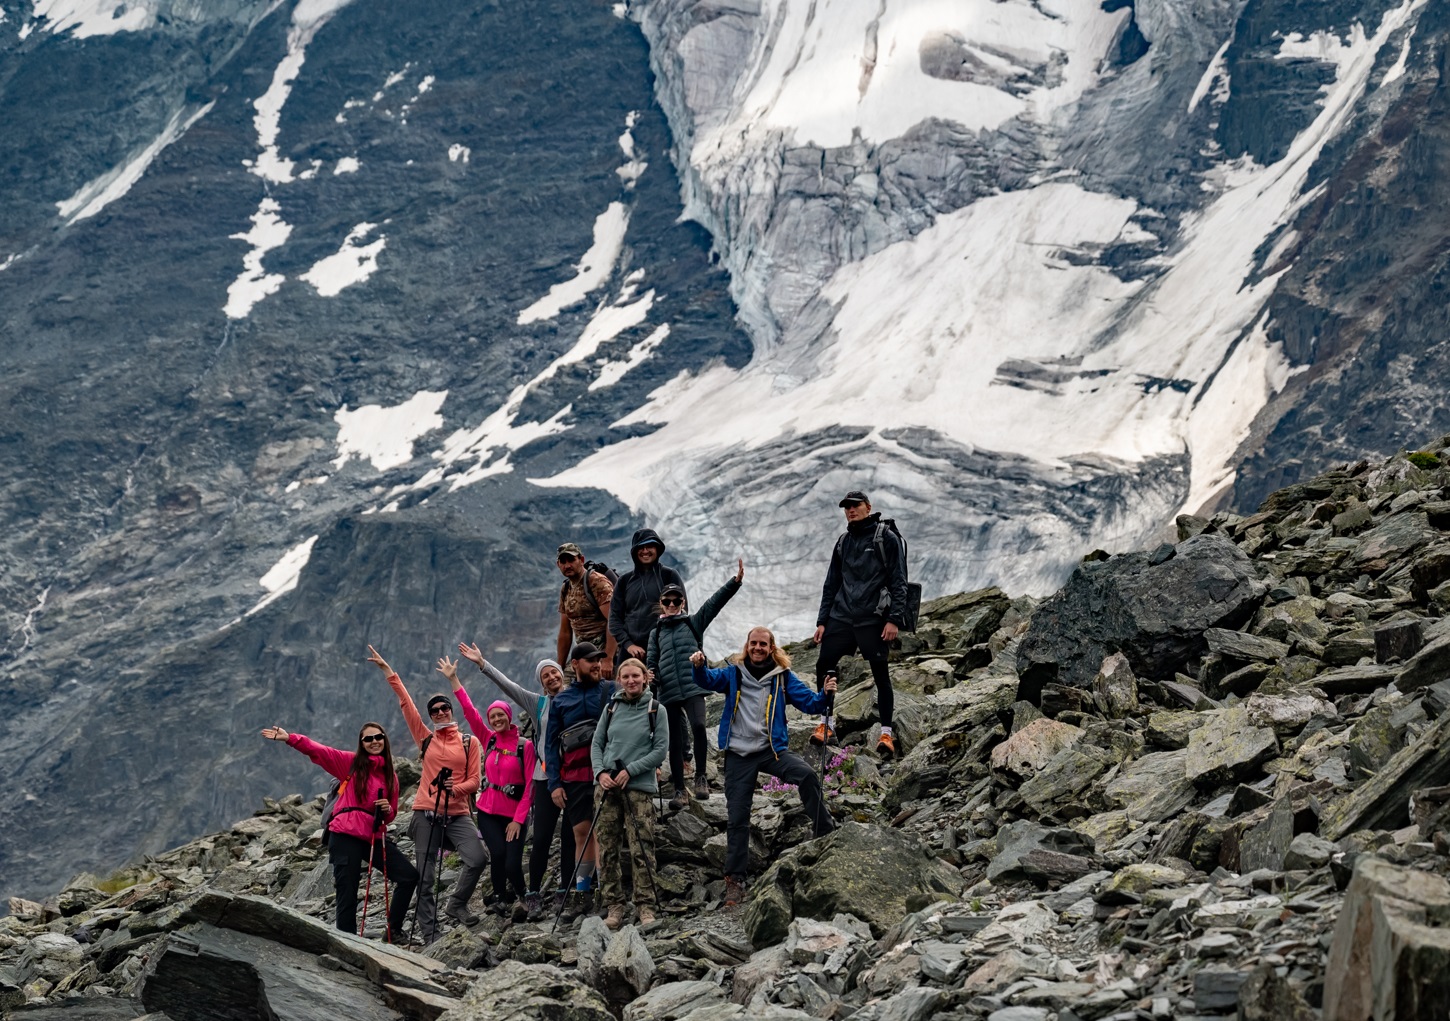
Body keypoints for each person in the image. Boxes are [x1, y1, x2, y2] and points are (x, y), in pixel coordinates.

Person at [690, 628, 837, 907]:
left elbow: (810, 703)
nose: (757, 648)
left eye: (763, 644)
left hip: (772, 750)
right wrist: (699, 666)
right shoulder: (733, 673)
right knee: (737, 816)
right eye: (753, 643)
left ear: (771, 647)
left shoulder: (782, 677)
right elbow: (707, 679)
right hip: (738, 754)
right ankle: (735, 880)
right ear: (747, 645)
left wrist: (826, 695)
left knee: (806, 774)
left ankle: (825, 832)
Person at [367, 645, 485, 944]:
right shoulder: (425, 739)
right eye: (435, 711)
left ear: (451, 710)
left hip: (457, 812)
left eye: (444, 708)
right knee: (426, 878)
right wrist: (388, 671)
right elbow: (406, 704)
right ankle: (431, 935)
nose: (440, 712)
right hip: (425, 814)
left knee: (477, 859)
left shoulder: (470, 743)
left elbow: (475, 781)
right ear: (430, 716)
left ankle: (456, 903)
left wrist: (454, 789)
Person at [261, 721, 418, 940]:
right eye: (368, 739)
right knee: (348, 892)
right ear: (361, 744)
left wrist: (388, 809)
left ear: (385, 739)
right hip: (344, 834)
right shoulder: (351, 763)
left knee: (409, 876)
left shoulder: (391, 775)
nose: (374, 742)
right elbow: (320, 751)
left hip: (372, 833)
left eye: (378, 737)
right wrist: (290, 739)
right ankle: (348, 944)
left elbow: (390, 814)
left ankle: (393, 931)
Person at [454, 645, 576, 920]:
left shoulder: (579, 697)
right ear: (541, 682)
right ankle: (531, 892)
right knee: (543, 837)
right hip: (547, 779)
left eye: (554, 673)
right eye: (545, 676)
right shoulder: (538, 703)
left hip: (576, 777)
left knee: (570, 838)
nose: (551, 678)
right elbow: (508, 687)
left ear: (562, 675)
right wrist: (482, 663)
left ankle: (565, 890)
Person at [436, 656, 534, 919]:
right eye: (493, 716)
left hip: (515, 814)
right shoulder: (489, 739)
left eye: (501, 715)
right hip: (488, 811)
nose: (496, 719)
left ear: (509, 716)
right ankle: (501, 899)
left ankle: (524, 898)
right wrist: (454, 680)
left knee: (513, 862)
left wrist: (518, 820)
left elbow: (529, 789)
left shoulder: (525, 746)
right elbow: (469, 711)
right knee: (498, 854)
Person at [813, 490, 908, 757]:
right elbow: (831, 583)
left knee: (880, 674)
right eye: (846, 507)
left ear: (868, 507)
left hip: (872, 619)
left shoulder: (885, 538)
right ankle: (825, 725)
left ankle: (886, 734)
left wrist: (894, 619)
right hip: (841, 616)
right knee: (825, 665)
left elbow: (899, 581)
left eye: (855, 506)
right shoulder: (843, 541)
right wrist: (822, 621)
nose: (850, 510)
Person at [648, 559, 744, 809]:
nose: (671, 605)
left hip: (693, 685)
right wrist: (651, 674)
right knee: (674, 742)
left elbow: (714, 604)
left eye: (676, 601)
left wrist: (734, 583)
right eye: (667, 601)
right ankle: (680, 791)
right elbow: (651, 661)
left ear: (683, 603)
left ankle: (701, 777)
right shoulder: (655, 633)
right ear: (661, 604)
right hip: (668, 690)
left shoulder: (693, 623)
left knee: (699, 726)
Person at [591, 657, 669, 928]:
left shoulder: (656, 709)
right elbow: (597, 743)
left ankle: (645, 906)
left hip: (638, 788)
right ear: (619, 680)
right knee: (608, 849)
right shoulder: (611, 707)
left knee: (642, 848)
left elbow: (660, 750)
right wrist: (600, 773)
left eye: (636, 676)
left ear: (645, 678)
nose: (631, 681)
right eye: (626, 677)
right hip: (607, 787)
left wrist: (631, 771)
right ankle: (614, 905)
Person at [544, 641, 615, 912]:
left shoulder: (611, 691)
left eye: (598, 660)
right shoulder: (561, 700)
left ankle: (605, 892)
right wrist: (554, 784)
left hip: (603, 776)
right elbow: (551, 746)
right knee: (581, 833)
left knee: (602, 832)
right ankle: (583, 893)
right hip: (573, 779)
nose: (597, 664)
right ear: (575, 664)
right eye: (590, 661)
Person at [609, 528, 685, 668]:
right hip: (631, 654)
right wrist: (628, 645)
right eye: (640, 547)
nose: (645, 551)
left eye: (649, 546)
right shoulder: (625, 581)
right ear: (634, 551)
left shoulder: (669, 575)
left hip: (663, 651)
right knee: (626, 689)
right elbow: (614, 619)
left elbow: (682, 612)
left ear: (657, 548)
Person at [555, 543, 616, 677]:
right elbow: (565, 632)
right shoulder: (565, 589)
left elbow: (614, 620)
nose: (567, 565)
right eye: (563, 562)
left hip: (603, 653)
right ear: (558, 565)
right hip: (582, 654)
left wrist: (608, 659)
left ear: (581, 560)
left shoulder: (596, 582)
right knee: (560, 689)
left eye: (571, 560)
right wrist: (559, 668)